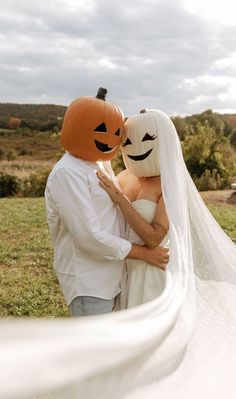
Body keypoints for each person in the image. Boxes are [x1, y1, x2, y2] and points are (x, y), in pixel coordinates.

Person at [45, 90, 169, 317]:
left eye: (116, 132)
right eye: (102, 129)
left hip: (115, 277)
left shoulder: (100, 164)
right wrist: (145, 254)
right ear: (77, 126)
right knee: (95, 349)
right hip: (90, 281)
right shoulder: (67, 173)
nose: (111, 138)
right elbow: (89, 236)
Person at [97, 109, 170, 308]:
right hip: (121, 268)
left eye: (147, 139)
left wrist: (120, 199)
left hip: (151, 271)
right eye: (127, 142)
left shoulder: (167, 184)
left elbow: (154, 239)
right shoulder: (122, 176)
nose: (135, 147)